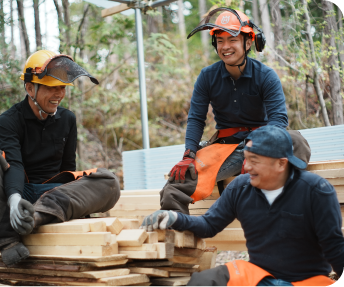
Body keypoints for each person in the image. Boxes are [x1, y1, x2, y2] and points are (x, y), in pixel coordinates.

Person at [0, 50, 120, 266]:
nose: (58, 94)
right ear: (29, 88)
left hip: (54, 196)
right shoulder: (8, 121)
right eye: (50, 88)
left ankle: (35, 217)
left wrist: (75, 199)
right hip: (20, 192)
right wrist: (15, 198)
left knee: (109, 181)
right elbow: (14, 165)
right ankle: (7, 239)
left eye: (62, 88)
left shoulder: (68, 119)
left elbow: (68, 169)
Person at [141, 126, 343, 286]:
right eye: (246, 159)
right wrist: (175, 218)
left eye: (254, 160)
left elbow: (334, 246)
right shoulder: (240, 188)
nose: (244, 167)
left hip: (306, 280)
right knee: (204, 282)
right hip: (258, 275)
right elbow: (209, 225)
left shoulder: (316, 191)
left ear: (282, 164)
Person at [161, 8, 294, 214]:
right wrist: (189, 154)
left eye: (232, 39)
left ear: (248, 42)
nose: (225, 47)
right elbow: (196, 119)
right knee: (176, 184)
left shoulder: (266, 76)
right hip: (227, 149)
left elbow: (278, 120)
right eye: (220, 40)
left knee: (296, 142)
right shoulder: (207, 77)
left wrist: (257, 146)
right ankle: (180, 231)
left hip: (263, 146)